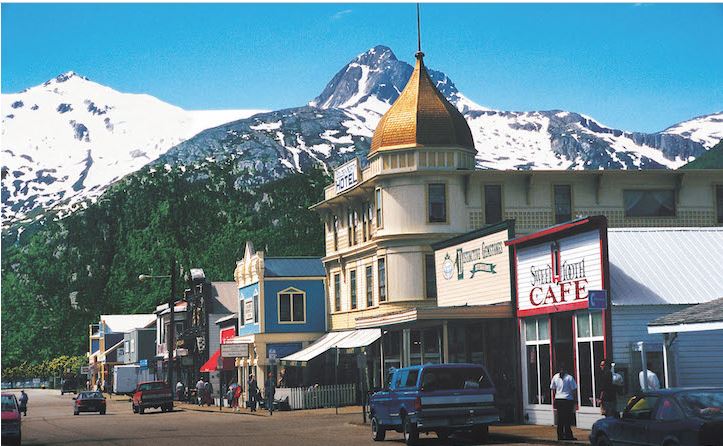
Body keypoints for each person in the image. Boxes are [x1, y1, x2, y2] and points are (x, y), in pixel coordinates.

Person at [550, 363, 577, 441]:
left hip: (558, 399)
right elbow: (574, 389)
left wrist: (556, 395)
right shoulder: (569, 378)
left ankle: (560, 436)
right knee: (567, 418)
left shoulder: (555, 377)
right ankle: (568, 435)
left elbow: (552, 388)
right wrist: (575, 400)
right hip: (567, 400)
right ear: (566, 370)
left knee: (560, 419)